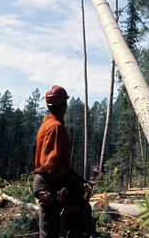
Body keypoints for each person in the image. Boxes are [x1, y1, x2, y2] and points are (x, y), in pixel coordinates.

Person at [33, 85, 94, 238]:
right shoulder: (56, 127)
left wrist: (80, 180)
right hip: (50, 183)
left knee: (53, 228)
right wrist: (68, 183)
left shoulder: (47, 124)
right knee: (50, 233)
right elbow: (51, 165)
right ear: (64, 106)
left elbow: (57, 164)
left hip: (47, 182)